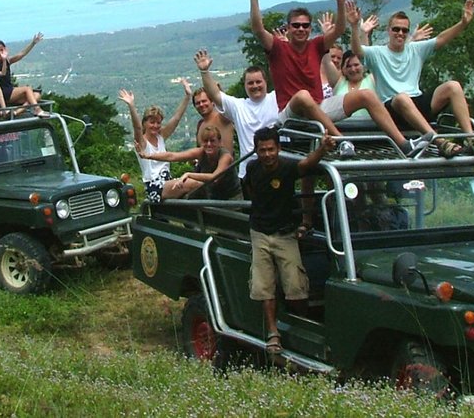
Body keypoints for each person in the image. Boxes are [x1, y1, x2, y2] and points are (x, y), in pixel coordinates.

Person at [245, 0, 428, 156]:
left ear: (310, 28)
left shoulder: (316, 45)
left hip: (319, 107)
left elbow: (340, 29)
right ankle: (341, 141)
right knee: (302, 96)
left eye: (305, 25)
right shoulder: (278, 48)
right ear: (289, 28)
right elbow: (257, 29)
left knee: (366, 95)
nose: (301, 29)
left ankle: (404, 144)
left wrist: (340, 2)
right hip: (290, 113)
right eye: (296, 25)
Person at [358, 0, 474, 158]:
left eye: (404, 30)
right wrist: (356, 28)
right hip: (393, 109)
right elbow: (357, 50)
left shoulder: (415, 49)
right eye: (396, 29)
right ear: (388, 30)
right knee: (401, 98)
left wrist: (463, 23)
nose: (400, 33)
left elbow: (441, 39)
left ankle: (470, 139)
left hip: (416, 102)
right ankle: (439, 142)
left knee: (453, 86)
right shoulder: (377, 53)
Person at [244, 126, 335, 354]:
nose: (267, 155)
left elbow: (307, 164)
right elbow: (249, 191)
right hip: (260, 232)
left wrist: (323, 149)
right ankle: (273, 333)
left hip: (285, 233)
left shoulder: (287, 167)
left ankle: (302, 328)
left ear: (279, 148)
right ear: (256, 151)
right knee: (264, 285)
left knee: (296, 285)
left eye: (271, 149)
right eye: (262, 150)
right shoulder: (252, 168)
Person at [194, 51, 279, 179]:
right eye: (250, 83)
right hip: (249, 172)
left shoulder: (277, 98)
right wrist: (204, 72)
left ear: (265, 82)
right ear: (244, 85)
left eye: (258, 82)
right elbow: (215, 95)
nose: (255, 86)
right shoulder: (239, 106)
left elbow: (290, 78)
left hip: (277, 167)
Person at [117, 79, 193, 202]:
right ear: (145, 123)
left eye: (158, 122)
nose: (155, 126)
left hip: (167, 181)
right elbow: (136, 127)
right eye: (152, 122)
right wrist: (131, 106)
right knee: (192, 183)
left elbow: (176, 118)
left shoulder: (160, 137)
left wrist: (187, 96)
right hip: (155, 186)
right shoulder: (142, 143)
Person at [138, 125, 241, 200]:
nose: (209, 144)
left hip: (231, 198)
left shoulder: (225, 156)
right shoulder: (201, 152)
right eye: (206, 141)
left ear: (219, 142)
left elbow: (215, 177)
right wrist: (148, 156)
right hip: (214, 195)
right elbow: (173, 156)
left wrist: (188, 175)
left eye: (212, 141)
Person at [0, 34, 46, 115]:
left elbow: (21, 54)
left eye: (1, 50)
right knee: (27, 89)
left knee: (36, 95)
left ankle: (17, 112)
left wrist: (33, 43)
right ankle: (37, 109)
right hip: (1, 93)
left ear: (5, 50)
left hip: (10, 91)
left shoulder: (7, 61)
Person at [190, 87, 234, 153]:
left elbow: (227, 107)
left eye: (204, 101)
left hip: (227, 162)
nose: (201, 104)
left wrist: (218, 91)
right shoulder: (200, 125)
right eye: (198, 103)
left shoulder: (222, 118)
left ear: (212, 102)